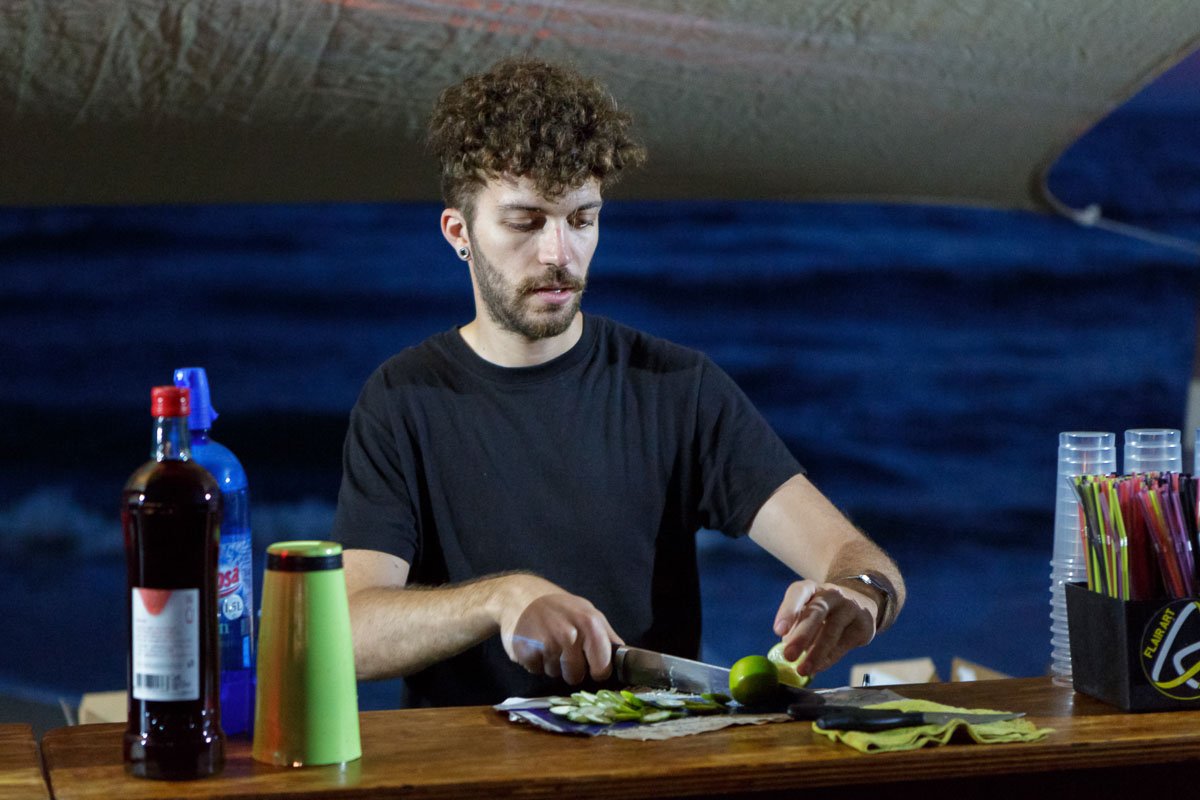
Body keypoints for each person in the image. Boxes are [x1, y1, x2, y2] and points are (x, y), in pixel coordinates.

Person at [332, 56, 905, 708]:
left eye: (581, 219)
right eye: (526, 222)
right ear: (458, 232)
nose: (560, 255)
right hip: (472, 758)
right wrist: (501, 599)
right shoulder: (402, 399)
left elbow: (864, 561)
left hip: (652, 749)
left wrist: (856, 595)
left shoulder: (677, 388)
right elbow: (346, 635)